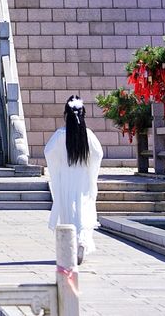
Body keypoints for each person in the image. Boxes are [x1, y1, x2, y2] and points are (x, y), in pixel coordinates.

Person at [45, 95, 103, 265]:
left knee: (69, 210)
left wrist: (59, 164)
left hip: (66, 179)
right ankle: (82, 241)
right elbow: (98, 153)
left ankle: (72, 245)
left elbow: (48, 152)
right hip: (83, 179)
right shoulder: (88, 135)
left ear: (66, 113)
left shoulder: (60, 135)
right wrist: (89, 166)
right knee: (84, 209)